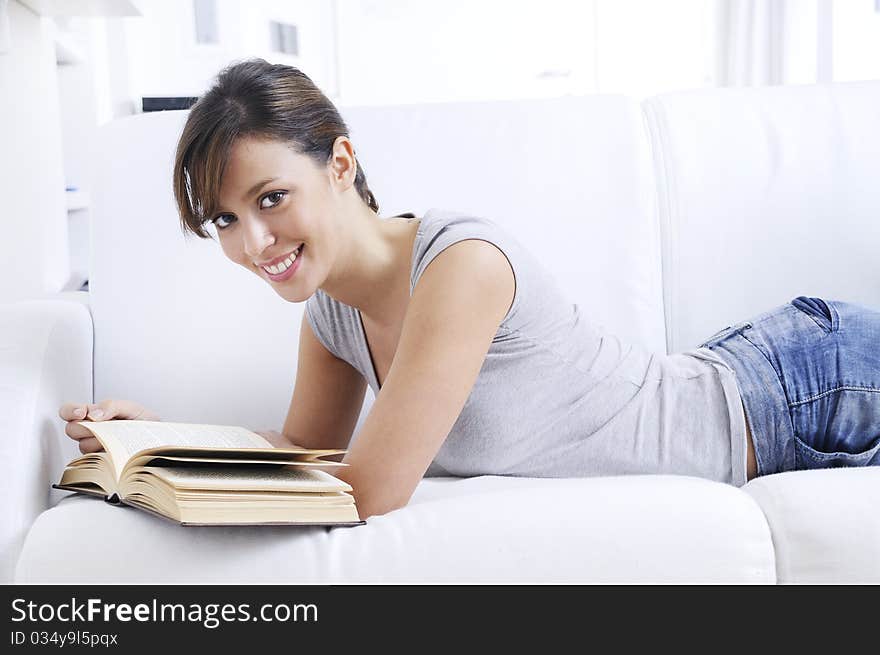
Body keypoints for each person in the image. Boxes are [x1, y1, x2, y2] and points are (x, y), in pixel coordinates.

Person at [58, 59, 880, 520]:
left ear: (339, 164)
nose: (254, 242)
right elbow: (300, 450)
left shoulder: (460, 265)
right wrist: (160, 436)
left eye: (270, 199)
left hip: (797, 390)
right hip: (748, 380)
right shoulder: (331, 313)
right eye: (226, 220)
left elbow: (370, 488)